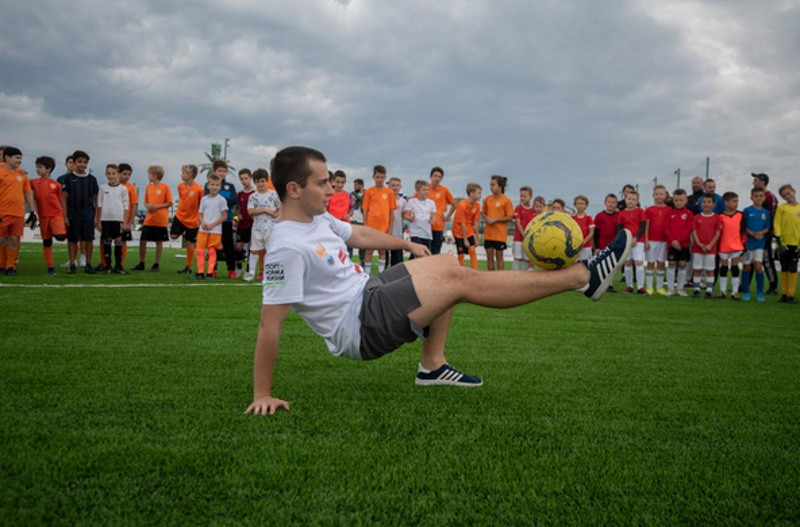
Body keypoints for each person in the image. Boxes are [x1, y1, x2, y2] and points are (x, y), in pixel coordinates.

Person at [244, 146, 633, 415]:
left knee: (445, 261)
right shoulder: (286, 248)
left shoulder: (317, 217)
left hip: (367, 291)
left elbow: (358, 235)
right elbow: (269, 324)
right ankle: (581, 277)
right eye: (322, 183)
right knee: (459, 282)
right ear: (293, 190)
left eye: (331, 180)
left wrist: (408, 245)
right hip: (359, 325)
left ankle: (432, 366)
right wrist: (263, 393)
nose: (332, 188)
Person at [61, 150, 99, 274]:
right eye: (79, 162)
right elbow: (64, 198)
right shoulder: (68, 178)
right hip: (73, 214)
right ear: (74, 163)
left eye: (85, 162)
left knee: (88, 239)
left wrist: (96, 217)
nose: (82, 164)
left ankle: (88, 264)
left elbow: (96, 199)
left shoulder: (92, 179)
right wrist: (65, 216)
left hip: (88, 214)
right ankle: (72, 264)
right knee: (72, 240)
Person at [0, 147, 36, 276]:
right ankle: (2, 264)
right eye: (17, 157)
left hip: (18, 213)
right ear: (7, 158)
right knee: (2, 240)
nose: (19, 160)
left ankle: (10, 267)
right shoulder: (1, 172)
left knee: (14, 240)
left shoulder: (22, 175)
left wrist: (32, 211)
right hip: (2, 212)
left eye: (21, 158)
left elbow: (28, 193)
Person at [30, 156, 67, 275]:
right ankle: (50, 268)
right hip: (42, 216)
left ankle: (70, 232)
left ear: (49, 169)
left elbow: (59, 200)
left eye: (40, 167)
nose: (37, 169)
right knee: (47, 242)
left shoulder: (56, 184)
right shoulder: (33, 182)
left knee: (60, 237)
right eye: (36, 166)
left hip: (56, 215)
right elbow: (26, 190)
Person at [132, 165, 172, 272]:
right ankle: (141, 263)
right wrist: (148, 206)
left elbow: (170, 203)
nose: (148, 176)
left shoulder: (165, 187)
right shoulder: (148, 187)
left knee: (158, 241)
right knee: (143, 240)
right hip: (149, 219)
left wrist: (157, 207)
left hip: (160, 220)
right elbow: (146, 202)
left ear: (155, 175)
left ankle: (156, 264)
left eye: (149, 174)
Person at [203, 160, 238, 278]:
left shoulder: (230, 186)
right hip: (213, 222)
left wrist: (219, 199)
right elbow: (208, 199)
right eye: (219, 170)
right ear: (214, 171)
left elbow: (234, 201)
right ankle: (213, 269)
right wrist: (221, 201)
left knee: (228, 245)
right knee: (213, 246)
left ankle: (231, 270)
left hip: (226, 220)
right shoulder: (208, 185)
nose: (222, 173)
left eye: (224, 171)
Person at [245, 169, 281, 281]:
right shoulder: (253, 196)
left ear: (266, 181)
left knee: (270, 250)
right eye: (258, 182)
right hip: (257, 227)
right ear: (254, 183)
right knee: (254, 250)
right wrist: (265, 210)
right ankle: (251, 273)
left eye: (262, 181)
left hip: (270, 227)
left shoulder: (273, 194)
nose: (260, 184)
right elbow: (250, 211)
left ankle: (269, 273)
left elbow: (280, 209)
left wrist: (276, 215)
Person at [94, 164, 130, 274]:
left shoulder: (123, 189)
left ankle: (118, 266)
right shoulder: (103, 188)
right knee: (107, 241)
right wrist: (98, 220)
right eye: (108, 173)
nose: (111, 176)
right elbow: (99, 204)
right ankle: (107, 266)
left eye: (113, 173)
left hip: (118, 219)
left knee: (118, 241)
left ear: (118, 174)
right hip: (105, 219)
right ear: (105, 175)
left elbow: (126, 206)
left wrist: (124, 222)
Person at [193, 175, 229, 280]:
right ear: (208, 186)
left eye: (217, 185)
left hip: (215, 231)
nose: (214, 187)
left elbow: (224, 216)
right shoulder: (204, 199)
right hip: (203, 229)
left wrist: (212, 225)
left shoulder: (222, 200)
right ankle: (200, 273)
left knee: (212, 251)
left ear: (220, 186)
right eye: (212, 184)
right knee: (199, 250)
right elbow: (200, 213)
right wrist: (203, 222)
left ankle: (210, 273)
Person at [361, 165, 395, 274]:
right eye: (378, 177)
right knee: (369, 251)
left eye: (382, 177)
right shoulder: (369, 191)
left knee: (382, 251)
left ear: (385, 178)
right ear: (373, 177)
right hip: (371, 226)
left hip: (384, 227)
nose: (380, 179)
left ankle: (381, 275)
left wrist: (390, 228)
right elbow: (365, 210)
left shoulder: (389, 192)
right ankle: (367, 275)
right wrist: (365, 225)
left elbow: (391, 211)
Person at [171, 164, 204, 274]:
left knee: (189, 243)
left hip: (192, 220)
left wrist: (199, 218)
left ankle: (188, 267)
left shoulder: (199, 189)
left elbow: (201, 204)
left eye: (184, 173)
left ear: (190, 175)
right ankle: (184, 232)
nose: (182, 174)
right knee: (173, 236)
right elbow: (182, 199)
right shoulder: (180, 186)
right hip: (180, 216)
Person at [741, 187, 771, 302]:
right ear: (751, 198)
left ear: (764, 197)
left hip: (760, 244)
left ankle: (760, 293)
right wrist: (752, 233)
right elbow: (744, 226)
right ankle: (745, 292)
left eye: (760, 196)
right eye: (756, 196)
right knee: (746, 267)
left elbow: (767, 227)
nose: (758, 198)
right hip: (748, 244)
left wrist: (761, 233)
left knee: (758, 267)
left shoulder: (766, 212)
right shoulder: (747, 210)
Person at [752, 173, 779, 295]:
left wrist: (769, 231)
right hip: (754, 233)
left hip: (765, 234)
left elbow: (773, 215)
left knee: (767, 259)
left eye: (755, 180)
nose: (753, 182)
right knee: (751, 258)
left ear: (762, 182)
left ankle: (773, 286)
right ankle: (744, 285)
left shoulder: (770, 196)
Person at [691, 194, 722, 298]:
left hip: (711, 249)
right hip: (698, 248)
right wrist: (699, 244)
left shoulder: (717, 218)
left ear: (713, 204)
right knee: (697, 269)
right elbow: (694, 232)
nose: (706, 204)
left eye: (709, 202)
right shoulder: (697, 217)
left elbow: (718, 233)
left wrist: (710, 245)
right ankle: (696, 289)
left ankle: (709, 290)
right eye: (704, 202)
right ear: (701, 203)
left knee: (710, 270)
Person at [664, 189, 693, 296]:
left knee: (682, 265)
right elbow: (666, 228)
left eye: (681, 200)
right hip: (672, 244)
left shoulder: (689, 214)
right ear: (673, 200)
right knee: (671, 264)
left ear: (686, 200)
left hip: (683, 244)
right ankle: (671, 288)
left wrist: (679, 241)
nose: (678, 202)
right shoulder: (669, 213)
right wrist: (672, 241)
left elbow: (689, 228)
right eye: (676, 200)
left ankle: (680, 288)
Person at [774, 184, 800, 304]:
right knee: (784, 267)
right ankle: (784, 294)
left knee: (793, 268)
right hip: (783, 244)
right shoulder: (781, 208)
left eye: (789, 193)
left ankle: (791, 295)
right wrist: (779, 239)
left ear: (794, 191)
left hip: (796, 244)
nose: (787, 196)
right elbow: (777, 223)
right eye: (784, 196)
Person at [482, 175, 514, 271]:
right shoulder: (487, 199)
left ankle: (501, 279)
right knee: (489, 257)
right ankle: (491, 278)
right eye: (490, 185)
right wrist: (486, 218)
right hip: (488, 234)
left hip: (500, 234)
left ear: (500, 186)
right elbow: (483, 213)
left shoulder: (507, 200)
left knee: (499, 257)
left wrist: (495, 220)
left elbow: (510, 217)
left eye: (493, 185)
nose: (491, 187)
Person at [617, 190, 647, 293]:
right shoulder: (621, 214)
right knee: (628, 263)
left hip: (638, 241)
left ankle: (640, 287)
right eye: (629, 199)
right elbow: (620, 229)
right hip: (627, 242)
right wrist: (626, 240)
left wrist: (636, 238)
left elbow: (643, 226)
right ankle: (629, 286)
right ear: (625, 200)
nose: (631, 201)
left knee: (638, 262)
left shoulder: (641, 211)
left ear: (637, 201)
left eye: (633, 199)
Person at [716, 192, 744, 300]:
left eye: (737, 201)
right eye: (734, 201)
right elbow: (718, 232)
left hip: (736, 246)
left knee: (735, 268)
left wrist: (743, 243)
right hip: (724, 245)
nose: (736, 203)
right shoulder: (720, 216)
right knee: (723, 268)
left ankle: (735, 292)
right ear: (726, 202)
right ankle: (722, 291)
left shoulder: (740, 215)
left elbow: (743, 231)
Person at [644, 185, 670, 294]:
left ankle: (659, 287)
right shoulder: (649, 209)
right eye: (657, 194)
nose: (659, 196)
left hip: (664, 241)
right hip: (651, 241)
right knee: (650, 263)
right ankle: (649, 287)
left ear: (665, 196)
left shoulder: (669, 210)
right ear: (653, 195)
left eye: (661, 194)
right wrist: (646, 239)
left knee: (661, 263)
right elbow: (647, 225)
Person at [402, 180, 437, 258]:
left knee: (426, 254)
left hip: (427, 233)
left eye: (427, 190)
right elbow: (406, 215)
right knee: (418, 254)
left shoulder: (431, 203)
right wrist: (411, 218)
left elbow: (433, 217)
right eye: (423, 190)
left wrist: (432, 220)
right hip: (416, 233)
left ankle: (412, 267)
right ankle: (414, 269)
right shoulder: (412, 201)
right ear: (418, 191)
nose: (426, 192)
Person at [428, 166, 456, 255]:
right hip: (426, 225)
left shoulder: (444, 190)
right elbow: (414, 201)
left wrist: (447, 217)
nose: (437, 178)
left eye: (439, 177)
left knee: (435, 252)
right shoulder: (425, 188)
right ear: (430, 176)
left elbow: (454, 204)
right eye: (435, 176)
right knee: (424, 252)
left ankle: (434, 269)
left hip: (438, 225)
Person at [452, 183, 482, 268]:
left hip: (469, 231)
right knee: (461, 254)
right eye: (478, 193)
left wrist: (476, 238)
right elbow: (462, 224)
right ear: (471, 194)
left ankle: (475, 272)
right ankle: (461, 273)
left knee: (472, 250)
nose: (480, 195)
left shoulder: (477, 205)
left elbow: (476, 222)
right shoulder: (462, 205)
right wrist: (465, 240)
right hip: (458, 232)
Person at [234, 168, 256, 277]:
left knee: (251, 247)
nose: (244, 181)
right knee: (238, 246)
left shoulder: (255, 193)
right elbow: (236, 209)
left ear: (251, 178)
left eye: (246, 178)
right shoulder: (239, 194)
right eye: (241, 179)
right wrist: (237, 216)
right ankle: (239, 268)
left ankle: (248, 271)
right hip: (241, 224)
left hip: (252, 224)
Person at [117, 163, 138, 268]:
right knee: (105, 239)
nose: (127, 176)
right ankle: (104, 263)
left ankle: (120, 264)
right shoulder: (112, 185)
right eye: (124, 174)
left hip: (124, 219)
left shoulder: (131, 188)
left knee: (122, 241)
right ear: (118, 173)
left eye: (129, 174)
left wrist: (130, 222)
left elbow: (134, 205)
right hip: (111, 218)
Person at [388, 177, 406, 267]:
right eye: (393, 185)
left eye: (397, 185)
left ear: (400, 187)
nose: (395, 187)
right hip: (386, 232)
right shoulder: (385, 199)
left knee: (397, 259)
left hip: (398, 233)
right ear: (388, 186)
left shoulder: (403, 201)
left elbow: (404, 216)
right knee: (385, 256)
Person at [572, 195, 594, 263]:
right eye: (578, 203)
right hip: (575, 247)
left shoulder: (589, 218)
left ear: (586, 206)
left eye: (582, 203)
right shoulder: (572, 218)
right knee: (574, 265)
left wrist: (584, 241)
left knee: (585, 266)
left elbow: (591, 233)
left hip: (586, 247)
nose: (580, 205)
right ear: (575, 205)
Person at [350, 177, 365, 263]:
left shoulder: (367, 194)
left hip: (362, 220)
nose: (355, 187)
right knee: (350, 242)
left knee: (362, 243)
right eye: (354, 185)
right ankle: (349, 259)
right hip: (353, 220)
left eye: (356, 185)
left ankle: (362, 261)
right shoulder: (352, 194)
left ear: (361, 185)